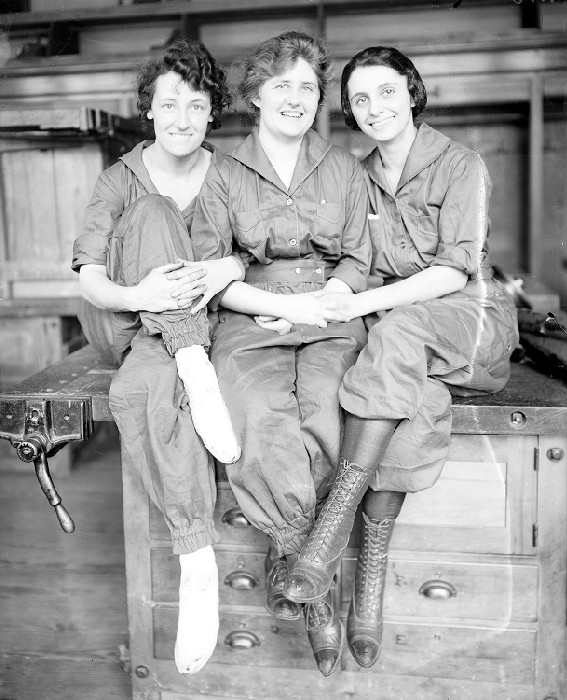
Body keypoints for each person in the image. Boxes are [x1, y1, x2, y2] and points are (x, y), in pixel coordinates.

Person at [284, 45, 519, 669]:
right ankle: (368, 592)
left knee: (396, 337)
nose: (373, 107)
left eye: (386, 91)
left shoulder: (460, 163)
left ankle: (329, 531)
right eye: (359, 99)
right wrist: (320, 303)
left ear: (412, 93)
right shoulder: (357, 176)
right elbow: (353, 265)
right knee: (396, 390)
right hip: (399, 334)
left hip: (470, 322)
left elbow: (452, 271)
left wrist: (368, 306)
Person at [190, 31, 371, 676]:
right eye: (280, 85)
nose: (295, 96)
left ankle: (301, 568)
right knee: (262, 412)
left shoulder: (345, 167)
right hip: (252, 319)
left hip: (330, 314)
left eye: (306, 85)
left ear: (318, 96)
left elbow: (358, 256)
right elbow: (214, 269)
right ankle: (312, 575)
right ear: (255, 95)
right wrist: (273, 305)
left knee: (328, 406)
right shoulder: (223, 172)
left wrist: (333, 296)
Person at [71, 37, 244, 675]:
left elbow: (252, 251)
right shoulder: (122, 177)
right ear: (149, 108)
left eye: (196, 106)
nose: (181, 118)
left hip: (208, 324)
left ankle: (197, 567)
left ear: (210, 113)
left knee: (135, 393)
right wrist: (136, 291)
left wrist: (226, 263)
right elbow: (89, 275)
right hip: (129, 319)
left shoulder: (227, 173)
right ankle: (193, 364)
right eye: (169, 104)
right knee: (151, 212)